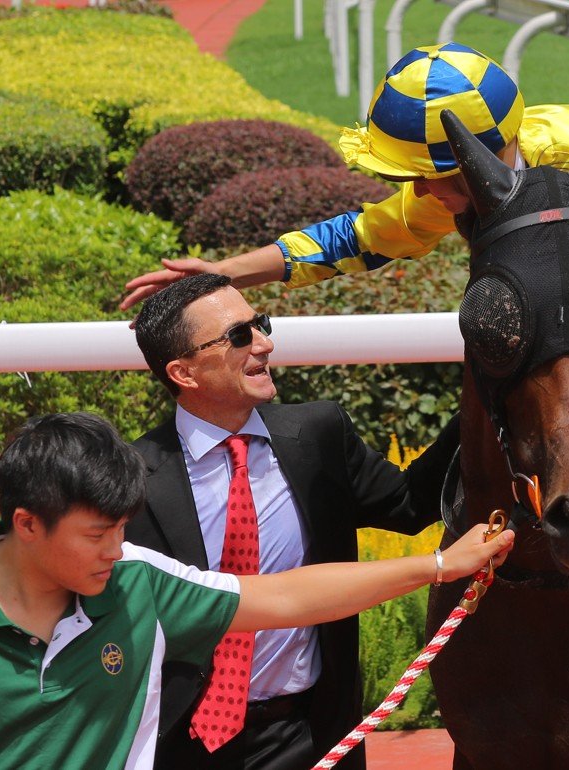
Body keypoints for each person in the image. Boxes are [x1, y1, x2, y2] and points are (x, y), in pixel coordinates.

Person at [119, 41, 569, 552]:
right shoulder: (473, 181)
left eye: (420, 177)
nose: (415, 194)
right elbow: (362, 237)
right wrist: (225, 272)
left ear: (463, 160)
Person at [0, 411, 513, 769]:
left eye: (119, 528)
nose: (116, 547)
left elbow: (288, 597)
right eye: (96, 535)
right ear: (27, 523)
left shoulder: (137, 582)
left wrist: (441, 563)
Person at [126, 273, 458, 769]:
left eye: (260, 324)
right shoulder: (132, 479)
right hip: (181, 743)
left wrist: (488, 393)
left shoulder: (319, 436)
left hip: (311, 735)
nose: (265, 344)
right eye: (240, 335)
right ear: (184, 373)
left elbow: (410, 504)